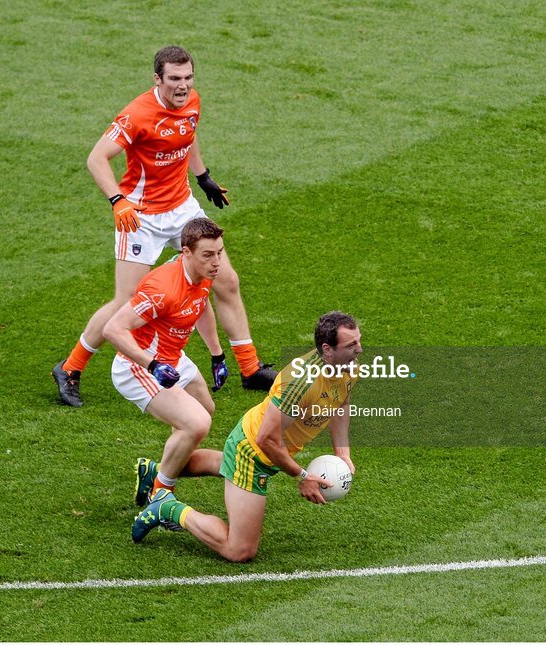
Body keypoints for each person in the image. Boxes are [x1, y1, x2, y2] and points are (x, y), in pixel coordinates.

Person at [53, 45, 277, 407]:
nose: (183, 86)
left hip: (181, 207)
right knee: (126, 302)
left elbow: (187, 135)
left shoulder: (192, 101)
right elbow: (96, 159)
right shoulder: (138, 113)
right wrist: (117, 200)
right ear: (157, 79)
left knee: (227, 280)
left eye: (188, 78)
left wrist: (202, 176)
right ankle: (71, 367)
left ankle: (249, 369)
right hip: (139, 216)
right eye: (174, 79)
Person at [130, 311, 363, 562]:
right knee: (240, 550)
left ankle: (155, 472)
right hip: (253, 453)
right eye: (351, 345)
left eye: (359, 341)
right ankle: (167, 508)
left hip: (260, 446)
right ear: (327, 349)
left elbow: (341, 404)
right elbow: (266, 440)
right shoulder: (300, 383)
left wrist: (343, 453)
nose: (359, 350)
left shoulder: (348, 368)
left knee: (223, 464)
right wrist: (302, 476)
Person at [104, 218, 231, 527]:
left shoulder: (202, 273)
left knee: (205, 410)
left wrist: (217, 354)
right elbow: (113, 329)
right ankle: (161, 496)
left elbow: (201, 306)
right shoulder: (161, 288)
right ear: (185, 252)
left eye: (219, 253)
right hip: (139, 365)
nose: (216, 263)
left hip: (173, 359)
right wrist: (152, 365)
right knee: (196, 424)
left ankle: (154, 473)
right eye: (208, 255)